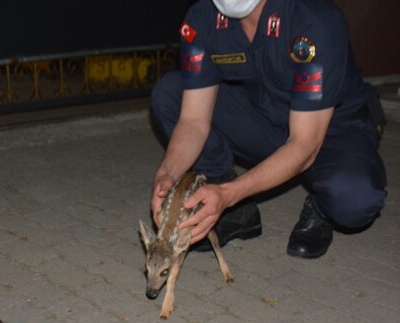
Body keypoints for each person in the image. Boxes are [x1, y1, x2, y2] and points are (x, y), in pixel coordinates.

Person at [150, 0, 387, 259]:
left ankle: (321, 206)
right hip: (269, 118)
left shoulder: (315, 20)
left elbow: (304, 146)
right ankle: (233, 206)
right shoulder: (202, 18)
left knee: (353, 199)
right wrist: (167, 175)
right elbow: (193, 121)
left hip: (331, 131)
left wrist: (229, 195)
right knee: (171, 94)